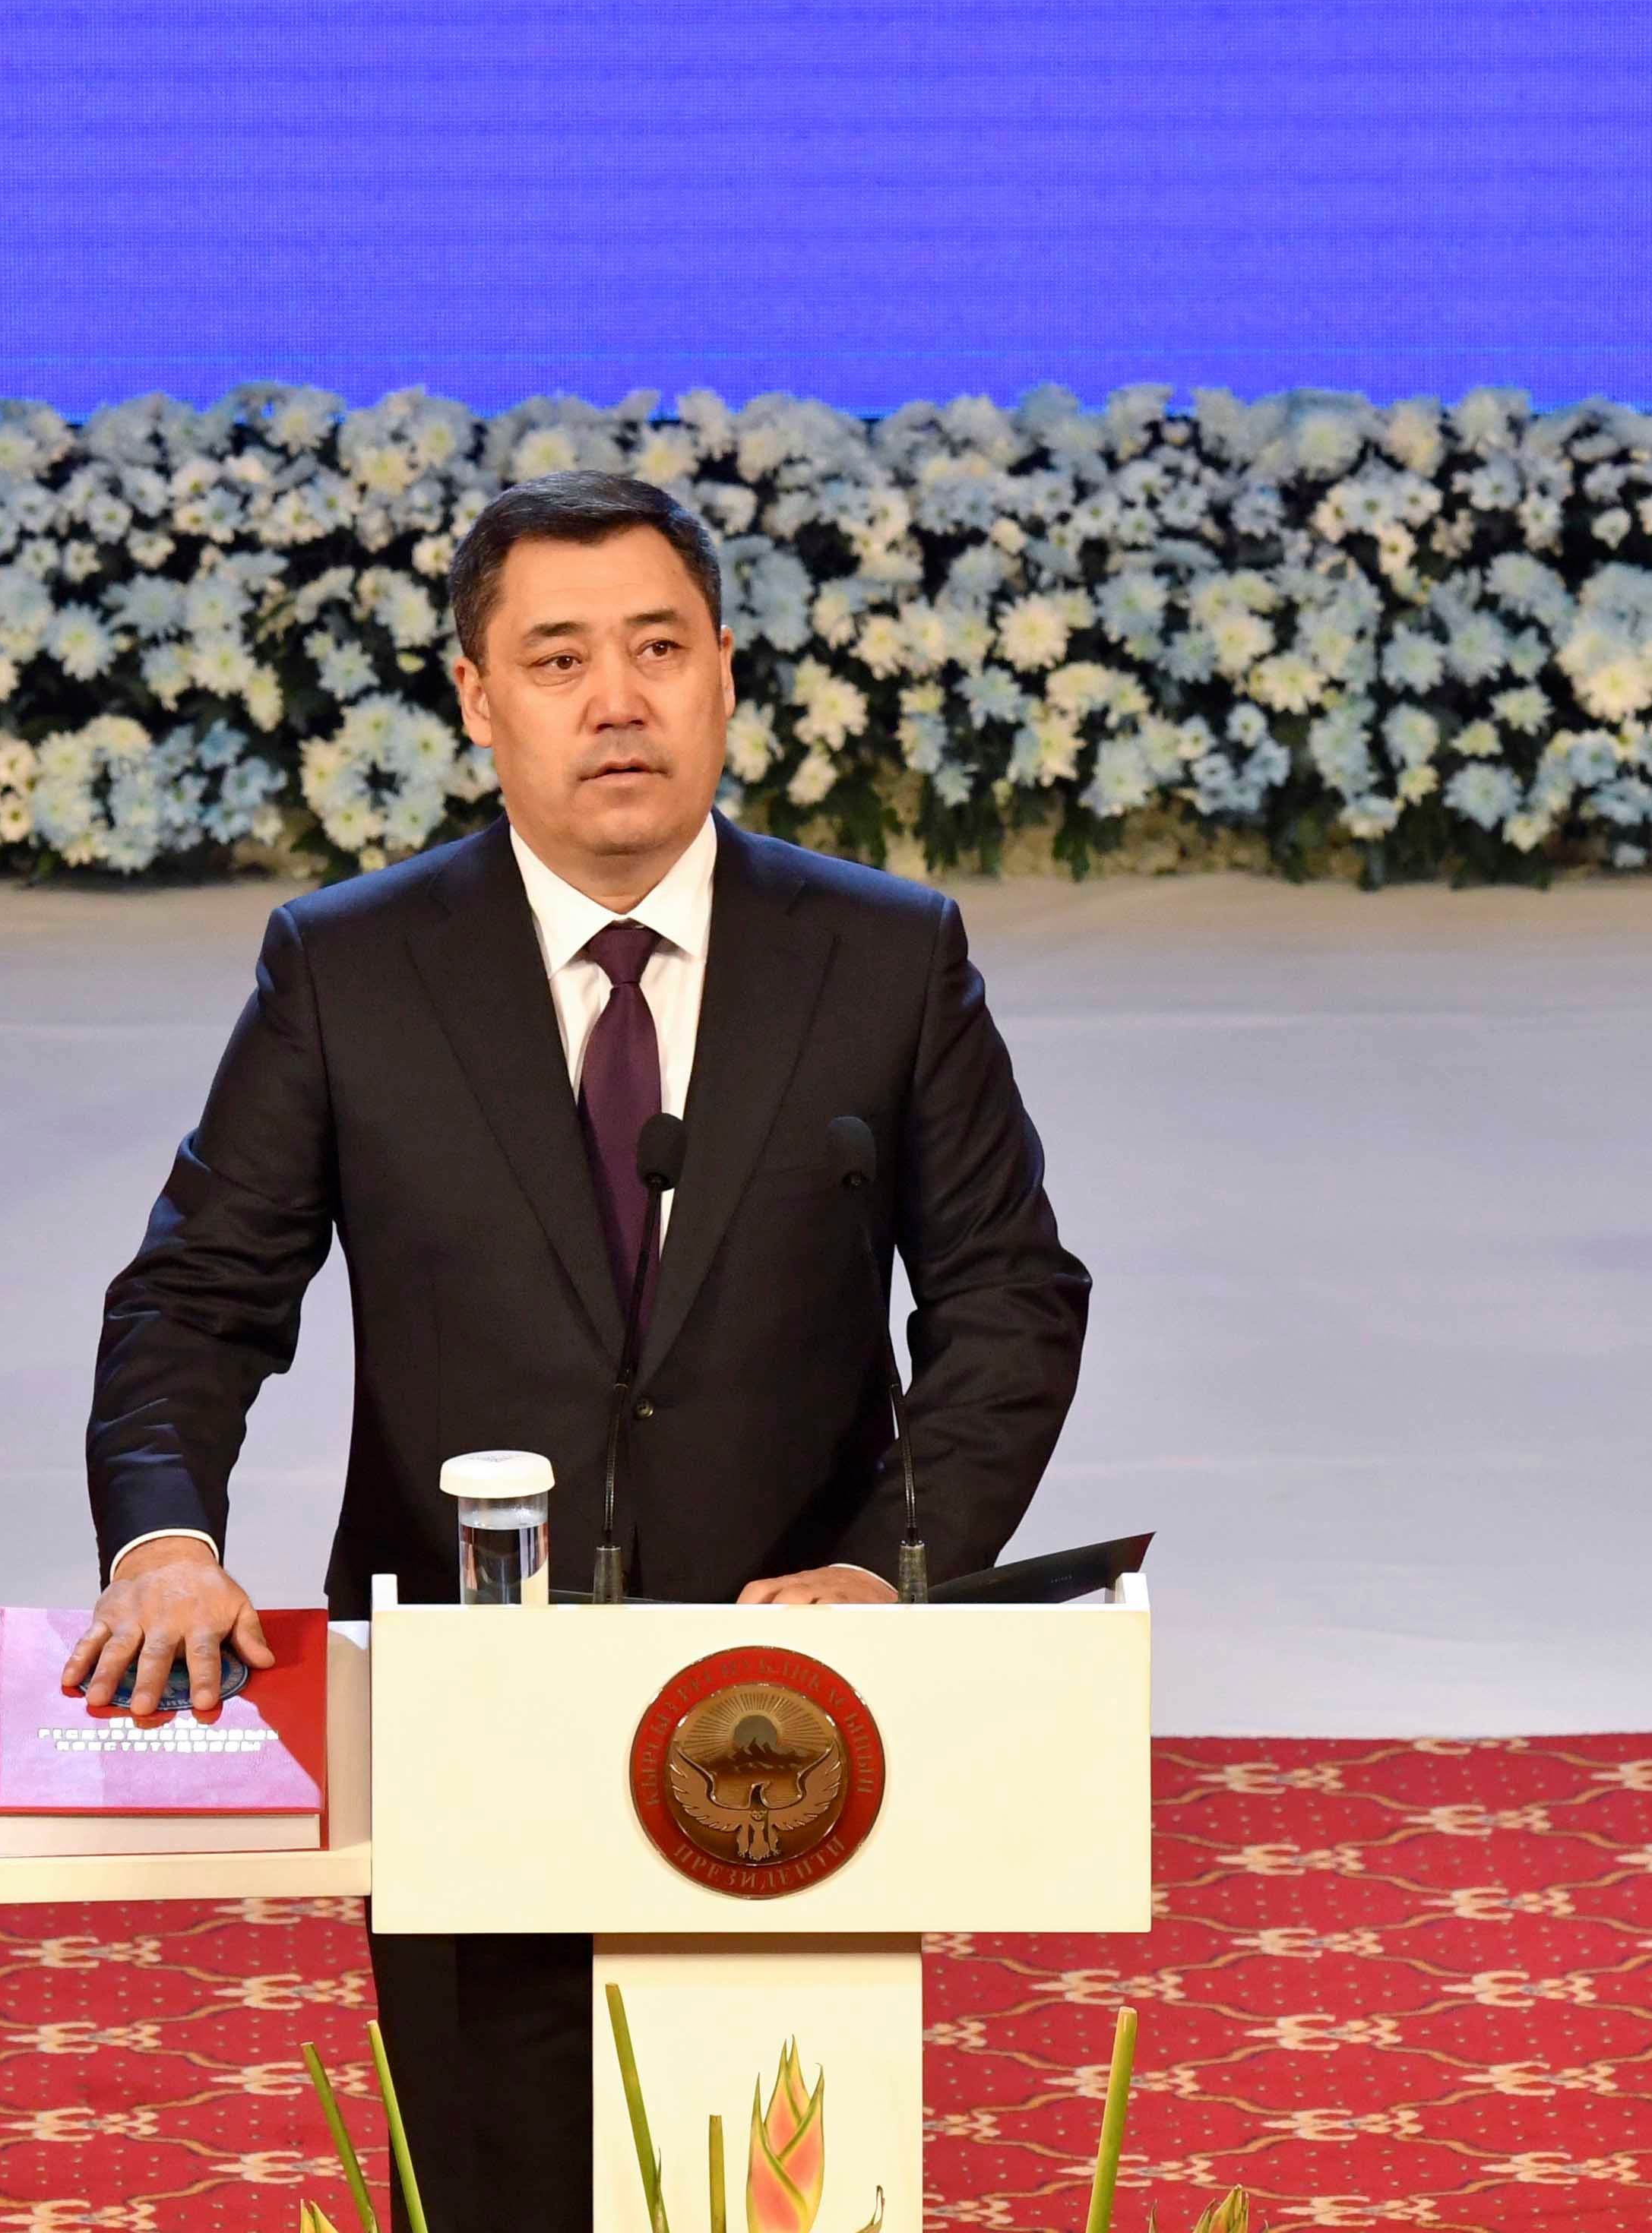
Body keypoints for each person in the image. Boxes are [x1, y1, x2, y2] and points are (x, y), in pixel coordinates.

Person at [73, 470, 1093, 2222]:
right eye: (557, 657)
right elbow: (195, 1295)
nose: (617, 700)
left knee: (769, 2173)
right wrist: (167, 1539)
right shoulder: (351, 967)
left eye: (658, 648)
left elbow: (1009, 1292)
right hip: (475, 1715)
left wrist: (882, 1564)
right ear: (478, 699)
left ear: (722, 677)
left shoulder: (884, 955)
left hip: (787, 1717)